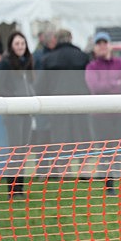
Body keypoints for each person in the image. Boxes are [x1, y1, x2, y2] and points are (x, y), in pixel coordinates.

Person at [34, 29, 92, 177]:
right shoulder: (83, 57)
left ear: (57, 39)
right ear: (71, 38)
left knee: (61, 139)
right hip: (81, 103)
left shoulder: (48, 59)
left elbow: (40, 86)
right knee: (82, 138)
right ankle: (84, 171)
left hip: (57, 105)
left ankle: (64, 173)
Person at [85, 32, 121, 196]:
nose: (103, 46)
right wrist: (113, 83)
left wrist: (108, 84)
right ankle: (109, 186)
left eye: (105, 43)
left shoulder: (120, 63)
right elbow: (95, 87)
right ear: (95, 47)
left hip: (120, 114)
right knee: (106, 153)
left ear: (110, 45)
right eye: (99, 44)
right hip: (100, 117)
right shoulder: (91, 67)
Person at [0, 32, 35, 196]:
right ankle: (12, 188)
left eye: (22, 43)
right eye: (17, 44)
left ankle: (20, 188)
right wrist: (16, 99)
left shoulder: (28, 62)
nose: (20, 47)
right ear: (11, 45)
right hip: (13, 114)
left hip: (27, 112)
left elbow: (30, 84)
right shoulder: (5, 63)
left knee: (23, 151)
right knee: (14, 151)